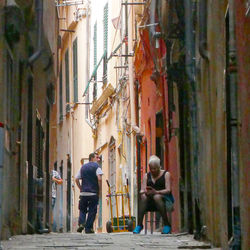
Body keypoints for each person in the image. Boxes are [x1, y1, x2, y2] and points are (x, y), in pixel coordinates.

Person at [133, 155, 173, 234]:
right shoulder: (146, 176)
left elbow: (168, 190)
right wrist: (145, 192)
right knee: (143, 197)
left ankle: (166, 224)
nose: (153, 170)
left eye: (155, 168)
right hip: (150, 201)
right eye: (151, 169)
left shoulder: (166, 174)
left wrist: (156, 192)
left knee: (157, 197)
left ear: (159, 167)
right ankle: (139, 224)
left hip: (164, 200)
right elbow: (141, 190)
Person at [75, 153, 103, 233]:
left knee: (82, 209)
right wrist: (99, 190)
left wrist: (80, 188)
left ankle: (81, 223)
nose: (98, 159)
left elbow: (76, 179)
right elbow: (99, 179)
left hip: (83, 193)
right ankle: (88, 228)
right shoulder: (97, 167)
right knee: (92, 210)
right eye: (97, 158)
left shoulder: (83, 167)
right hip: (93, 193)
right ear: (92, 158)